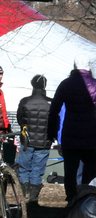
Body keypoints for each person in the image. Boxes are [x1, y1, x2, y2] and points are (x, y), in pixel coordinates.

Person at [48, 64, 96, 202]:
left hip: (71, 131)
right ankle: (86, 198)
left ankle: (71, 198)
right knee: (90, 169)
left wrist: (51, 130)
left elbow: (54, 109)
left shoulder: (65, 84)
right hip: (90, 132)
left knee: (70, 169)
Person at [16, 74, 53, 203]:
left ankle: (24, 193)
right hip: (45, 141)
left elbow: (20, 119)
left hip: (27, 140)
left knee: (24, 167)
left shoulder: (25, 101)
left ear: (32, 84)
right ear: (45, 85)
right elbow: (56, 121)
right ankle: (33, 198)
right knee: (37, 170)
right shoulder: (51, 102)